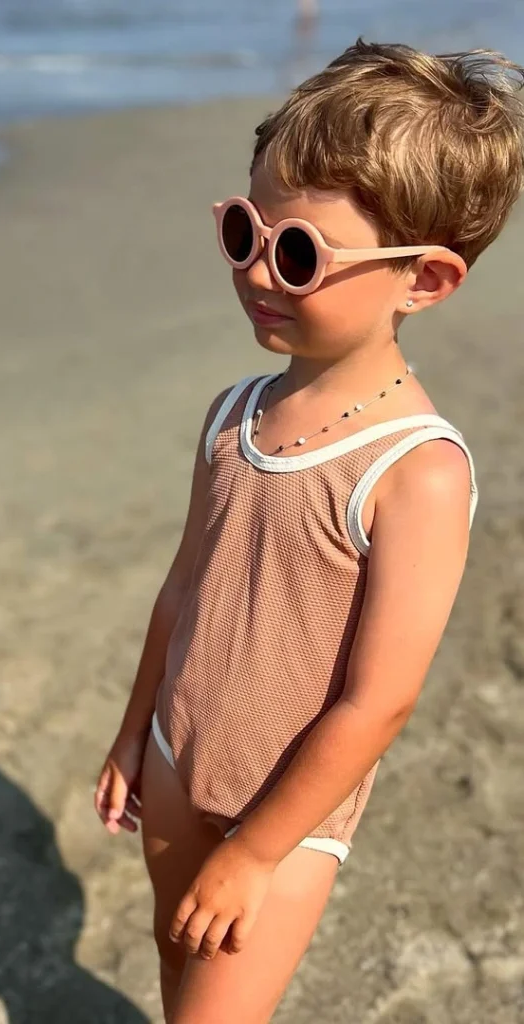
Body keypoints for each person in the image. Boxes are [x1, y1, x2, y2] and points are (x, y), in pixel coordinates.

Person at [94, 39, 524, 1023]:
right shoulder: (232, 413)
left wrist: (252, 851)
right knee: (178, 985)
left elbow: (379, 703)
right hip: (174, 756)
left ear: (424, 280)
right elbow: (183, 590)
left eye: (298, 254)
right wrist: (132, 734)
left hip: (285, 821)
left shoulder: (416, 470)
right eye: (244, 230)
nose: (256, 269)